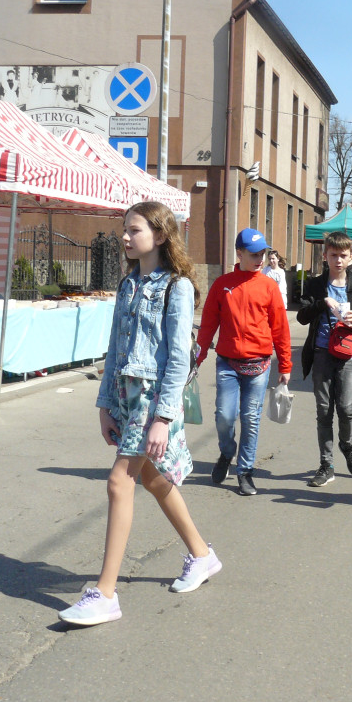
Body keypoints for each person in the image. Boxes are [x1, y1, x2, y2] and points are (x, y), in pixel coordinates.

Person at [59, 201, 220, 627]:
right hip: (127, 396)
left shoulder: (177, 287)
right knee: (153, 478)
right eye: (124, 231)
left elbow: (178, 360)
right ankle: (201, 555)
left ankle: (105, 593)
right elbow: (115, 350)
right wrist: (104, 405)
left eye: (134, 230)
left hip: (154, 398)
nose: (125, 238)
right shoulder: (129, 285)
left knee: (119, 481)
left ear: (161, 235)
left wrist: (164, 418)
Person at [197, 229, 292, 496]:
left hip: (259, 365)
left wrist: (285, 365)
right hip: (227, 363)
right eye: (254, 254)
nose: (260, 258)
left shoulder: (269, 286)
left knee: (250, 419)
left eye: (263, 253)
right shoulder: (223, 284)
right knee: (225, 417)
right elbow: (207, 326)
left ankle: (245, 472)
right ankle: (227, 453)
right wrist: (198, 357)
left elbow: (280, 329)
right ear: (239, 254)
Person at [297, 231, 352, 486]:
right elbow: (302, 316)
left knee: (346, 408)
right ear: (325, 256)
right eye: (333, 255)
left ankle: (348, 445)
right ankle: (326, 464)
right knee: (323, 411)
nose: (338, 260)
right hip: (321, 353)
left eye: (343, 255)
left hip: (348, 355)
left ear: (351, 256)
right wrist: (322, 303)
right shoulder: (316, 285)